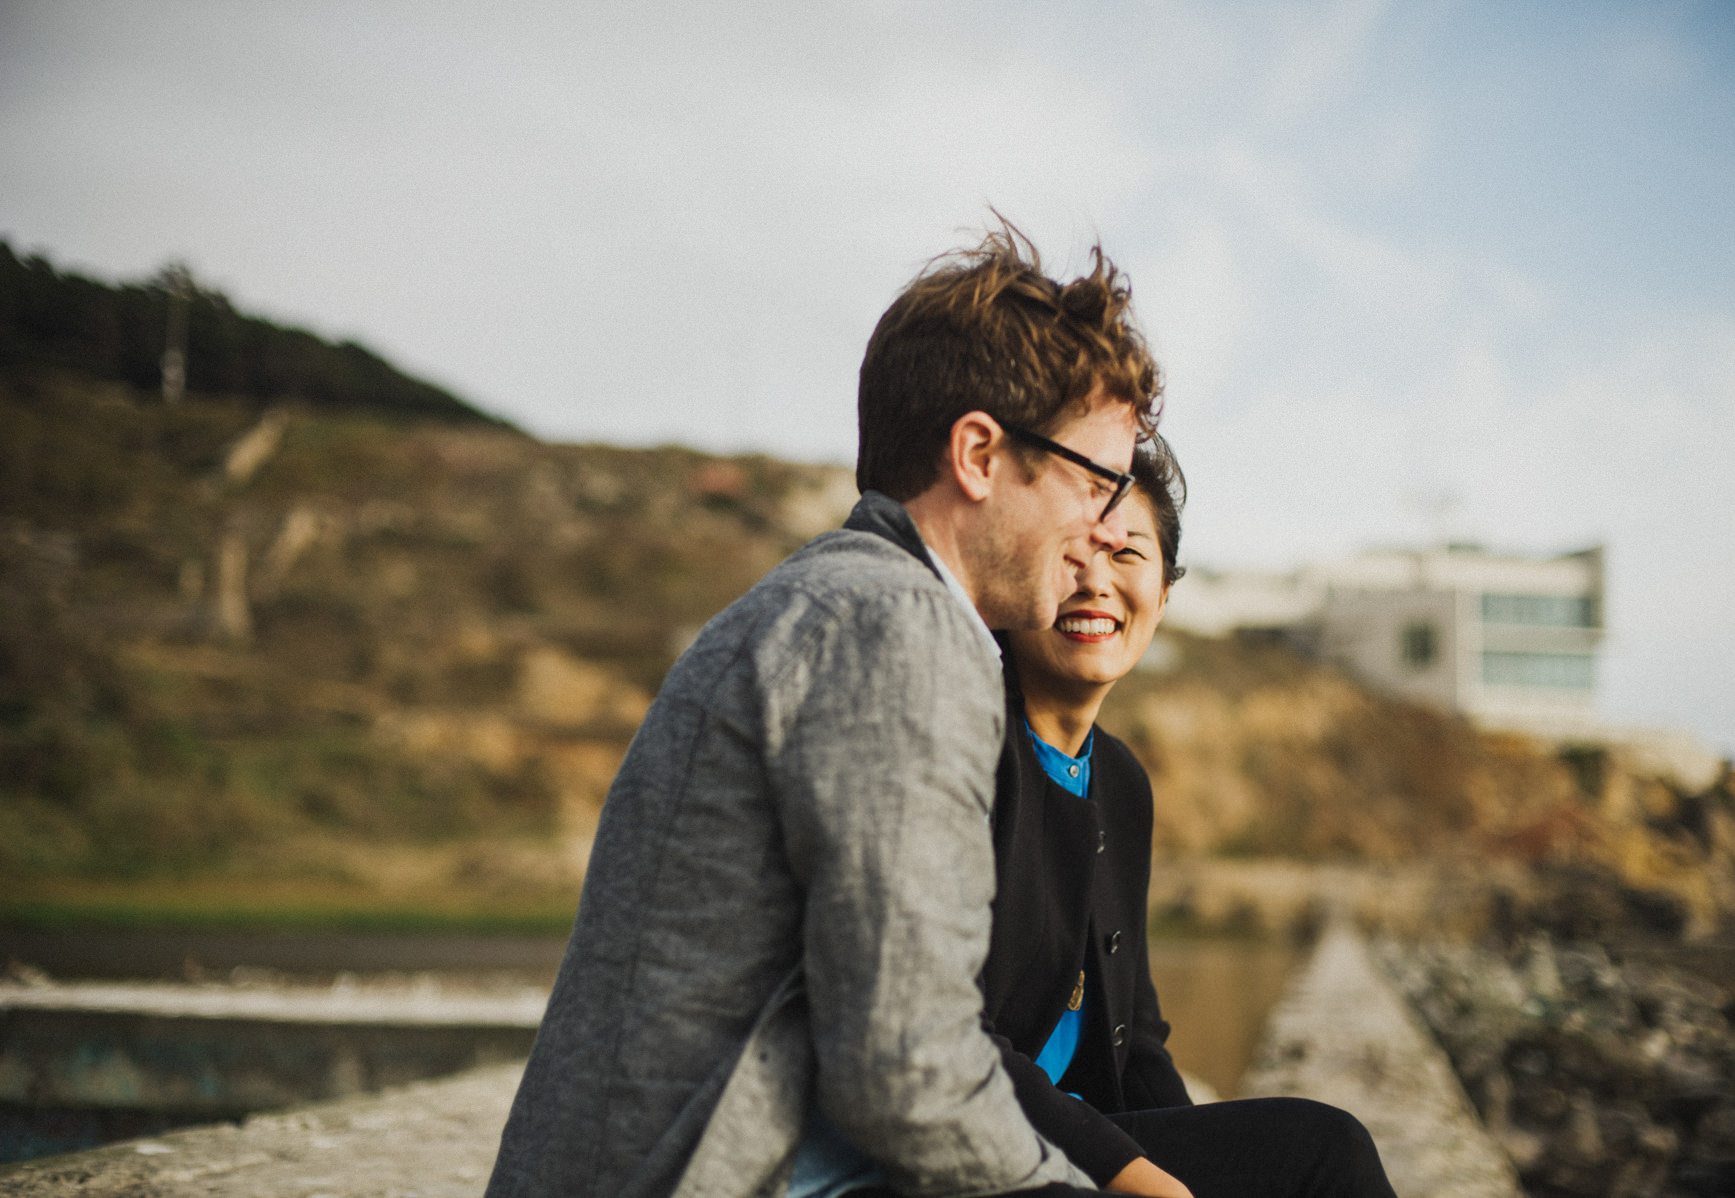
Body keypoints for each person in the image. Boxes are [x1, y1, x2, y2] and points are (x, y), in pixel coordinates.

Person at [486, 224, 1162, 1198]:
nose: (1103, 532)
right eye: (1094, 484)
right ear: (979, 453)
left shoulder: (843, 600)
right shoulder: (897, 630)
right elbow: (907, 1072)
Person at [982, 437, 1398, 1198]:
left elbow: (1135, 1038)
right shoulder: (968, 745)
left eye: (1127, 555)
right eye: (1071, 554)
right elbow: (942, 1031)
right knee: (1323, 1152)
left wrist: (1199, 1168)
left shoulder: (1120, 782)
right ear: (1014, 575)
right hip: (966, 1153)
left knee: (1320, 1147)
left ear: (1165, 596)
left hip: (1067, 1151)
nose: (1096, 582)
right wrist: (1133, 1173)